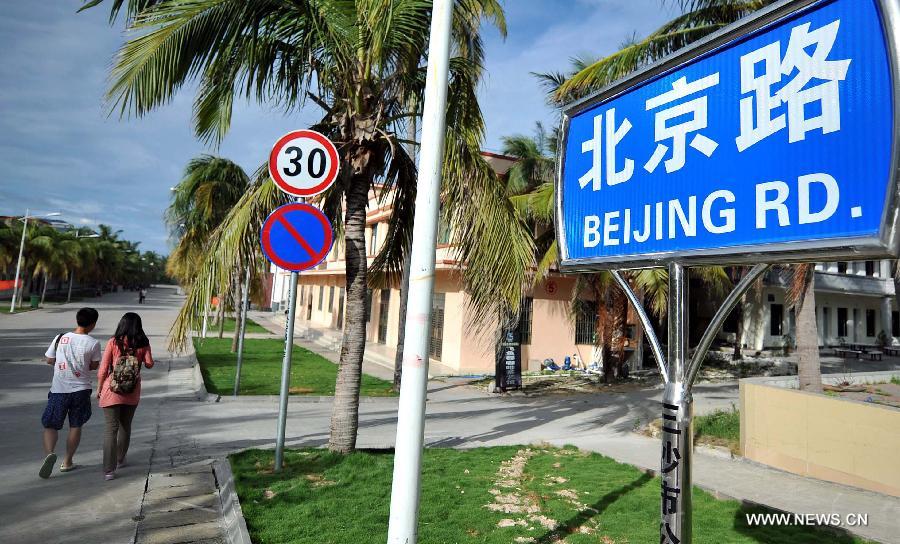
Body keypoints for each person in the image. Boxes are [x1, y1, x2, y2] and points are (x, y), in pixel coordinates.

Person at [40, 307, 101, 479]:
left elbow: (50, 359)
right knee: (75, 425)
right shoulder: (93, 343)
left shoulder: (61, 337)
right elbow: (94, 365)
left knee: (51, 425)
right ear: (93, 324)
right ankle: (67, 462)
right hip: (81, 390)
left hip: (59, 390)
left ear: (77, 320)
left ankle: (49, 454)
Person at [97, 312, 154, 481]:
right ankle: (120, 459)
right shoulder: (143, 343)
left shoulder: (113, 342)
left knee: (110, 429)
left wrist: (99, 389)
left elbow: (103, 369)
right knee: (125, 426)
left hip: (112, 390)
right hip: (132, 391)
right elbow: (150, 364)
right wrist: (143, 355)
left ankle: (109, 470)